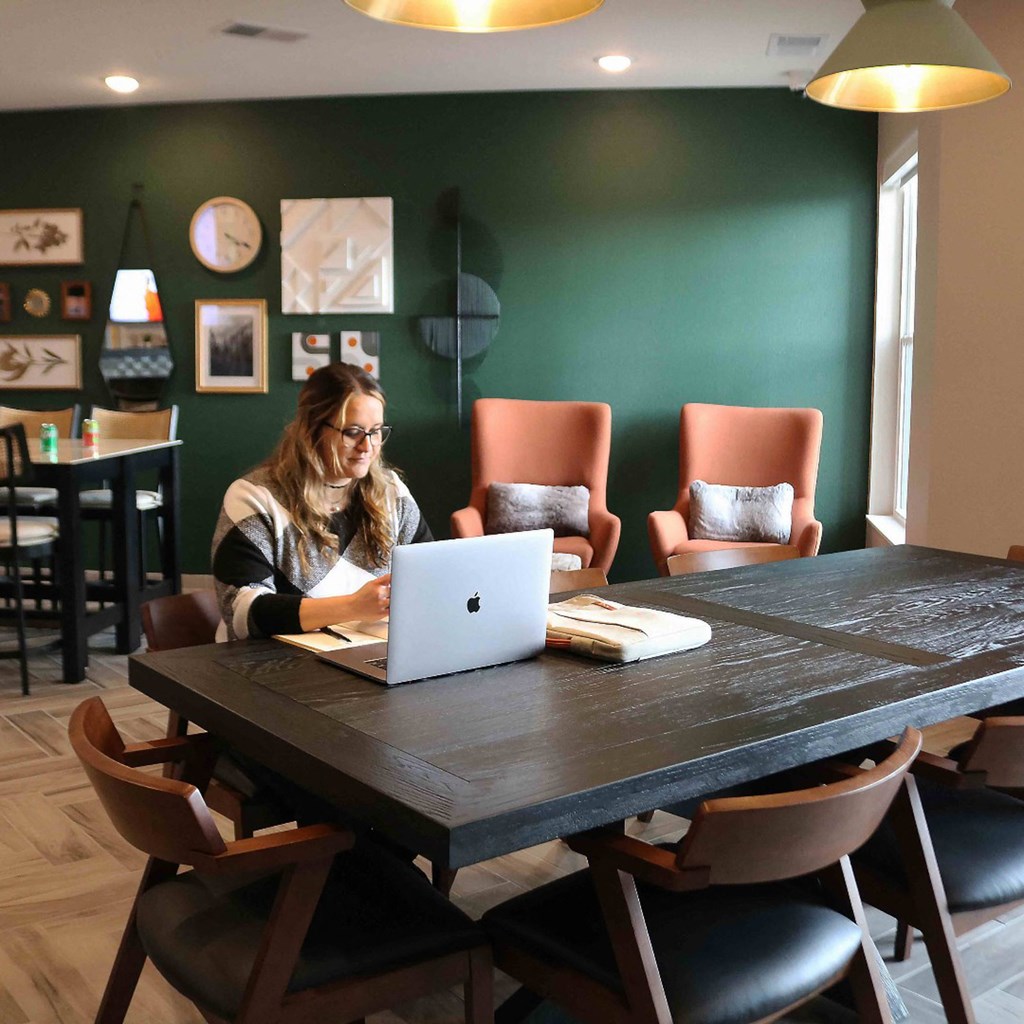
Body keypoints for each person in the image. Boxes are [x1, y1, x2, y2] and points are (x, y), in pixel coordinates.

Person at [212, 362, 433, 642]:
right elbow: (243, 615)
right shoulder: (254, 498)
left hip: (367, 656)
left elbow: (429, 576)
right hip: (274, 665)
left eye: (376, 431)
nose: (368, 447)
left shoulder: (391, 492)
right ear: (311, 430)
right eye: (353, 432)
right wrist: (353, 607)